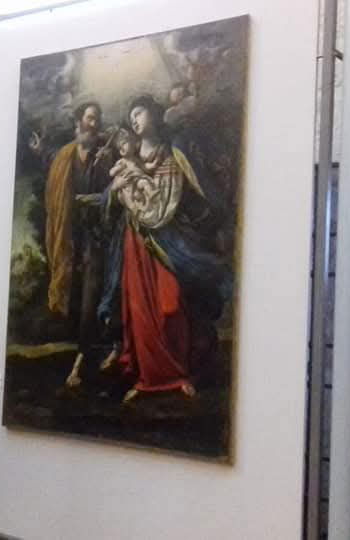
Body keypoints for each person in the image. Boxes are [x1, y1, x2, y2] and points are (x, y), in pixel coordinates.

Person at [98, 94, 231, 404]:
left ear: (155, 115)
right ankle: (147, 377)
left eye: (140, 112)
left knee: (170, 306)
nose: (134, 119)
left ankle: (177, 373)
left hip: (168, 241)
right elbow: (109, 200)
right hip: (134, 243)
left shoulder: (173, 155)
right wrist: (116, 192)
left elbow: (176, 202)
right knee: (139, 311)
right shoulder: (128, 158)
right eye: (131, 115)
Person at [29, 101, 115, 388]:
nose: (94, 123)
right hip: (68, 236)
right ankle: (87, 353)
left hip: (96, 236)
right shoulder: (66, 154)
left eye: (97, 119)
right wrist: (40, 151)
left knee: (92, 294)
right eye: (90, 118)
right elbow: (52, 163)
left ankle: (81, 359)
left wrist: (95, 198)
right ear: (78, 123)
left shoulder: (106, 156)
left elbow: (115, 190)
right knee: (73, 295)